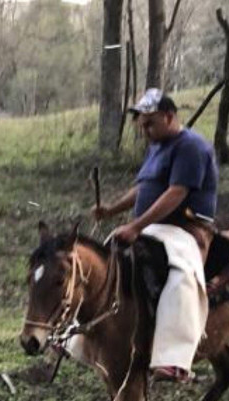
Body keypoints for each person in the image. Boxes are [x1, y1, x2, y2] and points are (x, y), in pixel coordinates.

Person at [93, 88, 219, 382]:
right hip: (155, 227)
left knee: (180, 274)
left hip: (186, 228)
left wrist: (135, 226)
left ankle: (174, 358)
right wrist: (111, 210)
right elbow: (144, 188)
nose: (144, 130)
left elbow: (177, 193)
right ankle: (87, 333)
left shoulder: (191, 147)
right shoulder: (157, 146)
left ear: (169, 116)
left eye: (150, 123)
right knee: (107, 257)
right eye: (142, 124)